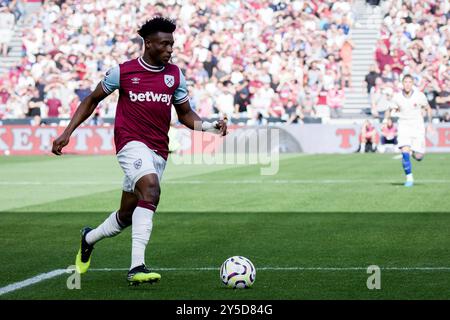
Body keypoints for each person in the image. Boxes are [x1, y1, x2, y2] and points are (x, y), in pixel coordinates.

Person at [51, 17, 227, 285]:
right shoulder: (122, 72)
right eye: (164, 44)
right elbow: (91, 100)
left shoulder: (175, 75)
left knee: (126, 216)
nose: (170, 49)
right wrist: (67, 132)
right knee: (152, 190)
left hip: (158, 149)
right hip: (130, 143)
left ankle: (89, 238)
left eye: (172, 44)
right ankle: (137, 267)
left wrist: (211, 127)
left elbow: (185, 115)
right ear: (148, 43)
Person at [386, 74, 433, 187]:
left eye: (409, 82)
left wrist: (430, 124)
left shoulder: (419, 96)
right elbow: (389, 109)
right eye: (405, 82)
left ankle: (412, 152)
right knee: (404, 151)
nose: (407, 84)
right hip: (403, 125)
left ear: (413, 84)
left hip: (417, 126)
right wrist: (388, 120)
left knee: (419, 157)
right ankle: (409, 178)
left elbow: (428, 109)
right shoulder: (397, 97)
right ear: (402, 83)